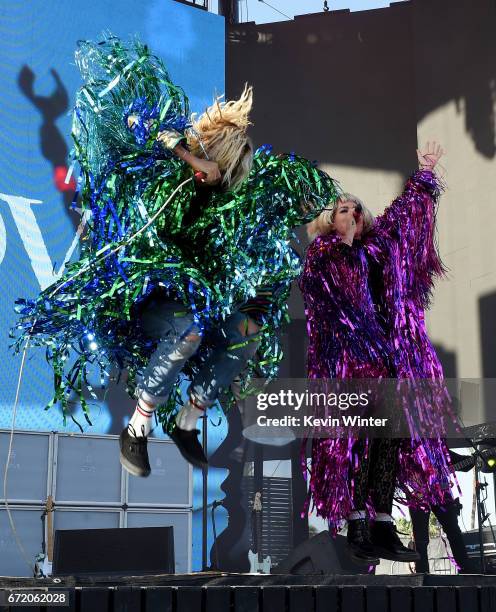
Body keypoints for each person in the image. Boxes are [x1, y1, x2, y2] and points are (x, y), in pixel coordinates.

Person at [13, 36, 338, 476]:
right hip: (144, 302)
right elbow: (153, 143)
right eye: (228, 164)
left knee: (246, 333)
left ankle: (189, 420)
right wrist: (185, 155)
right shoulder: (169, 174)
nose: (227, 178)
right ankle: (137, 431)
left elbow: (310, 192)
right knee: (187, 328)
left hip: (195, 305)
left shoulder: (225, 204)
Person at [299, 142, 458, 565]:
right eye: (342, 208)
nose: (351, 211)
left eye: (356, 207)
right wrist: (345, 240)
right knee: (358, 444)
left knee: (388, 442)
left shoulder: (375, 248)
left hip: (384, 364)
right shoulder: (322, 256)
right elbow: (339, 295)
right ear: (329, 221)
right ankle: (358, 526)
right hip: (349, 368)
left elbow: (402, 217)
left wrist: (424, 175)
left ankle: (383, 522)